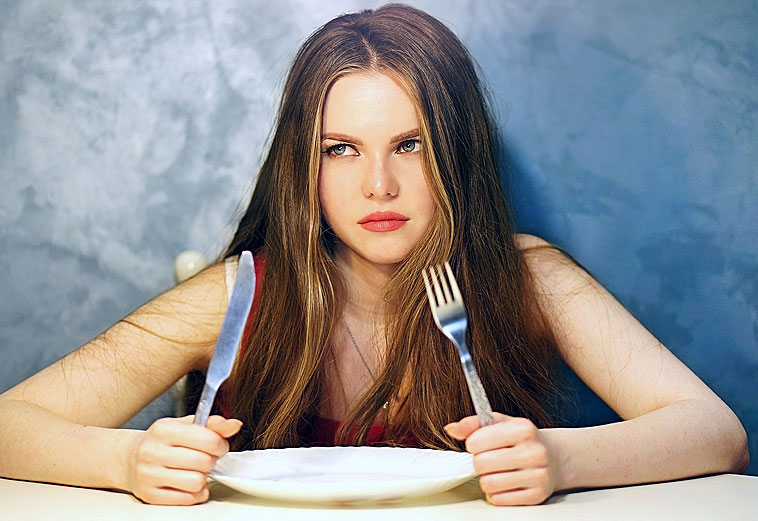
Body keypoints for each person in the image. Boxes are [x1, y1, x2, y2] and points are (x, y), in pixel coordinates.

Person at [0, 3, 748, 507]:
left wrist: (563, 459)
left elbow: (716, 432)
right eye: (342, 149)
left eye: (411, 144)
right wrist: (126, 462)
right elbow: (11, 423)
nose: (379, 185)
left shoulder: (527, 278)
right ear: (303, 165)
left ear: (455, 151)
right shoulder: (241, 294)